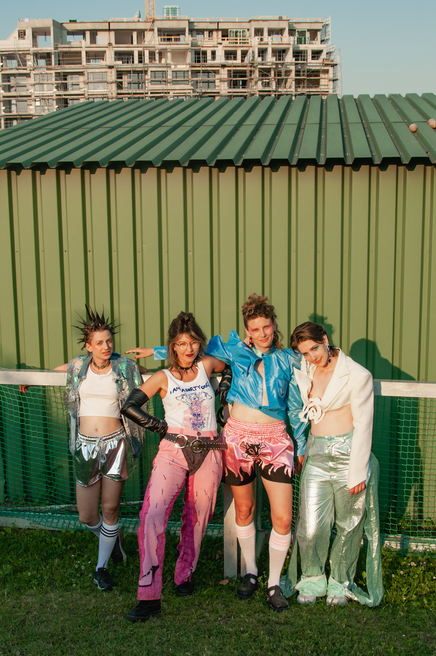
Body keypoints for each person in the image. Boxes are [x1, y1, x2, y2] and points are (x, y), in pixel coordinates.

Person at [127, 294, 307, 612]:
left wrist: (301, 443)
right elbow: (189, 352)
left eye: (266, 327)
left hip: (236, 445)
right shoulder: (187, 368)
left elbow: (294, 391)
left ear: (273, 326)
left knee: (219, 517)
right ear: (247, 330)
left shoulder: (277, 359)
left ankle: (258, 582)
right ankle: (155, 590)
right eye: (255, 328)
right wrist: (155, 354)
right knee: (166, 514)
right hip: (204, 444)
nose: (262, 333)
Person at [20, 307, 146, 592]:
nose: (106, 346)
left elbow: (149, 376)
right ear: (88, 346)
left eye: (109, 341)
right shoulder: (78, 367)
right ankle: (112, 538)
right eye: (99, 342)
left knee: (110, 508)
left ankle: (101, 568)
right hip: (85, 446)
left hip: (116, 443)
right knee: (87, 515)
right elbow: (57, 372)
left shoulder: (125, 367)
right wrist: (29, 379)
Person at [120, 312, 227, 622]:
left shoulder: (207, 366)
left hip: (209, 449)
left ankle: (184, 574)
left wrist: (226, 388)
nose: (188, 348)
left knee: (198, 516)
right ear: (173, 346)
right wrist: (159, 427)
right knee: (152, 516)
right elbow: (129, 405)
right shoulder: (162, 377)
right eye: (181, 343)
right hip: (174, 450)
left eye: (193, 342)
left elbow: (231, 361)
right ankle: (149, 595)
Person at [281, 321, 384, 607]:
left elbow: (364, 424)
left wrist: (358, 470)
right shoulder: (304, 369)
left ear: (325, 339)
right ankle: (312, 578)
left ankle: (340, 581)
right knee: (310, 525)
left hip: (348, 453)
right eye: (305, 352)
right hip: (316, 454)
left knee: (349, 524)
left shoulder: (358, 375)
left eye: (315, 348)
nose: (312, 356)